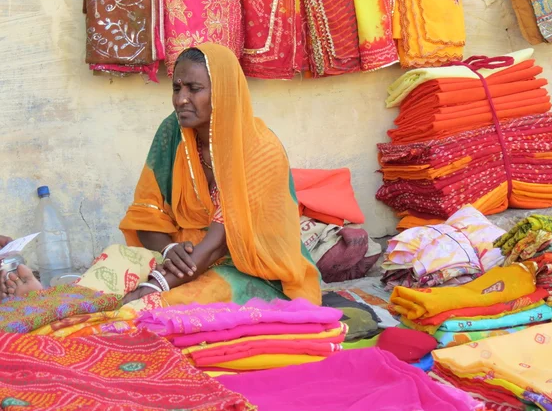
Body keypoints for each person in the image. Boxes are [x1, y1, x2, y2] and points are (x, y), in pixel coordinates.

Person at [1, 43, 321, 311]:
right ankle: (50, 301)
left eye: (194, 89)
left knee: (175, 301)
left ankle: (110, 313)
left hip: (251, 267)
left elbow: (217, 244)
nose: (181, 98)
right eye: (176, 88)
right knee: (116, 263)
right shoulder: (173, 132)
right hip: (182, 255)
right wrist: (168, 251)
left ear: (222, 92)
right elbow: (146, 216)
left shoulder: (259, 150)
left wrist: (156, 285)